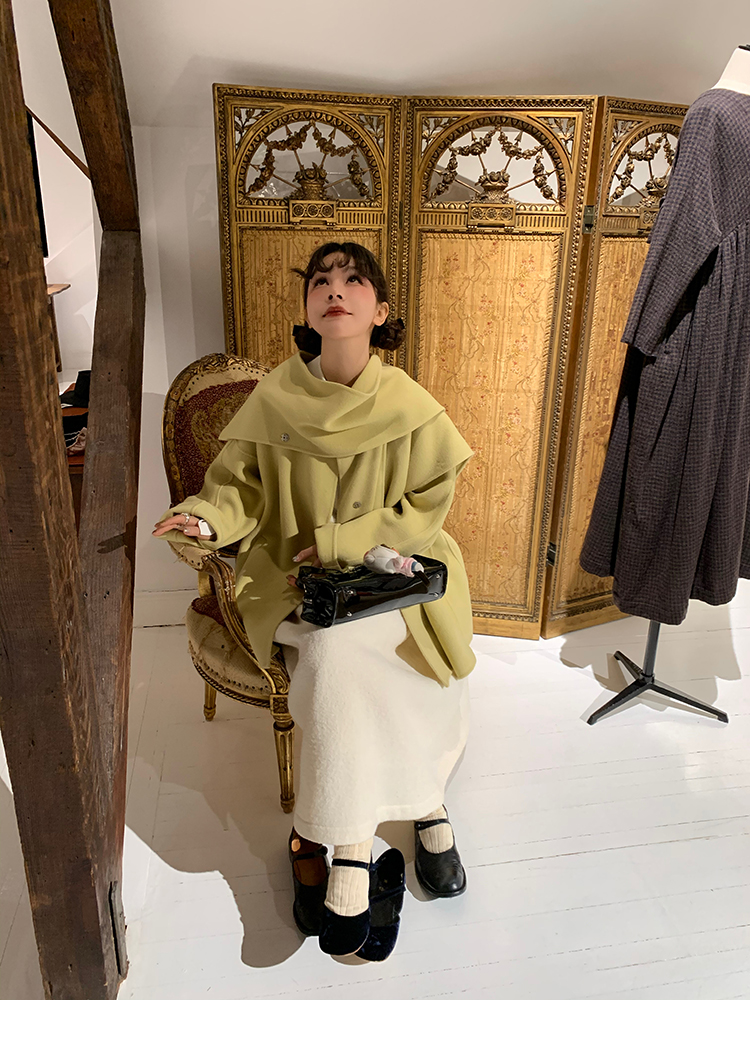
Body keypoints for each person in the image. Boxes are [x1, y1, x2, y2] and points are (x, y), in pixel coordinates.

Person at [153, 242, 476, 959]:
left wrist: (345, 539)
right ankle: (421, 814)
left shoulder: (410, 405)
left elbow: (428, 506)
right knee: (336, 653)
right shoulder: (276, 397)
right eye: (322, 280)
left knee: (374, 659)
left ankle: (354, 844)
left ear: (380, 311)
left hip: (393, 575)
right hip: (300, 583)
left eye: (354, 280)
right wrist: (204, 519)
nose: (336, 289)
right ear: (306, 308)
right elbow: (236, 490)